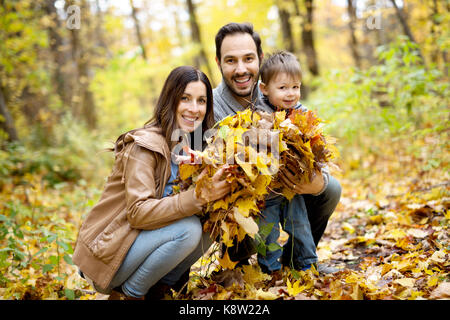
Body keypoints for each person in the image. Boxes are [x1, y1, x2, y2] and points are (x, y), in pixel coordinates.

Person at [72, 66, 230, 300]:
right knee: (189, 230)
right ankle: (132, 294)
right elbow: (138, 213)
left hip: (139, 248)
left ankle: (159, 291)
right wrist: (198, 197)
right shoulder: (145, 146)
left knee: (210, 224)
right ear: (170, 99)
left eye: (201, 101)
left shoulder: (194, 147)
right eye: (185, 98)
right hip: (108, 258)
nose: (193, 109)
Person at [212, 22, 342, 273]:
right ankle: (247, 265)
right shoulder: (210, 107)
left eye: (248, 58)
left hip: (286, 193)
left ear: (259, 59)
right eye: (231, 61)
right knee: (263, 233)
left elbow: (309, 139)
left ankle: (300, 261)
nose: (241, 69)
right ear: (219, 63)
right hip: (243, 208)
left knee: (330, 188)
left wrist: (317, 182)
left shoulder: (276, 93)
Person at [256, 50, 318, 274]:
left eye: (295, 87)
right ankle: (269, 270)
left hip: (293, 188)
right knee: (267, 231)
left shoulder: (303, 114)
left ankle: (307, 264)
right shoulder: (258, 115)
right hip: (267, 191)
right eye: (282, 88)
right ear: (264, 89)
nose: (291, 93)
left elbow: (315, 149)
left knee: (300, 226)